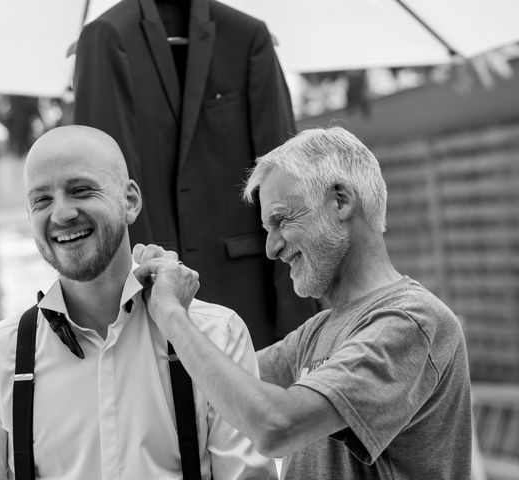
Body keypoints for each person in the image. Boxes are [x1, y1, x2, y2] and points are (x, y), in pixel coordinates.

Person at [0, 125, 277, 480]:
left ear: (129, 201)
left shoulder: (215, 334)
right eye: (42, 200)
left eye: (80, 190)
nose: (61, 214)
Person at [134, 126, 472, 479]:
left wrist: (172, 313)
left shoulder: (413, 321)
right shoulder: (317, 331)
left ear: (340, 200)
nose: (271, 248)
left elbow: (276, 426)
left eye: (281, 221)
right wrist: (158, 291)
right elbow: (216, 381)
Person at [73, 0, 319, 349]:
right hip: (154, 295)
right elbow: (100, 183)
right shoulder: (106, 39)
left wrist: (298, 318)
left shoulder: (247, 37)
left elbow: (286, 173)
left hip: (248, 294)